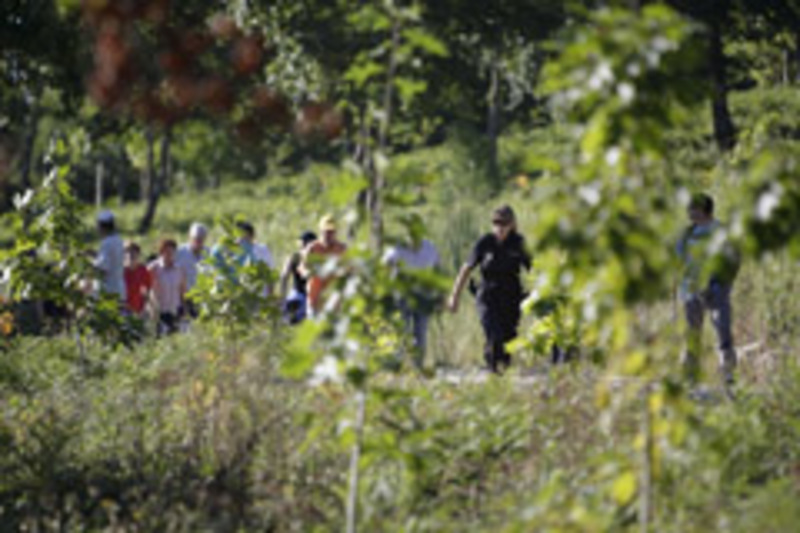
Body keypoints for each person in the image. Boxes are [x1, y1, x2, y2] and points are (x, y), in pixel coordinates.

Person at [447, 205, 531, 374]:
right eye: (496, 222)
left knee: (509, 339)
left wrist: (537, 294)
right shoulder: (485, 242)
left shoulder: (518, 243)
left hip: (511, 297)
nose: (499, 227)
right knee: (494, 334)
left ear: (512, 224)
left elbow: (534, 268)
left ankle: (503, 373)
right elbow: (466, 269)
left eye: (504, 223)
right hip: (488, 296)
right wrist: (454, 297)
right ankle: (493, 369)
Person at [676, 193, 739, 386]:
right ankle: (690, 376)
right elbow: (678, 258)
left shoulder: (722, 232)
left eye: (693, 208)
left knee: (722, 330)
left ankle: (727, 374)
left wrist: (722, 284)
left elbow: (733, 261)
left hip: (716, 288)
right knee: (692, 333)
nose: (689, 212)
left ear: (704, 210)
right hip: (691, 289)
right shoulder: (687, 233)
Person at [384, 233, 441, 367]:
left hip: (423, 294)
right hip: (402, 293)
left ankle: (418, 366)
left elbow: (437, 268)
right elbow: (386, 264)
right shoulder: (398, 245)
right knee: (400, 330)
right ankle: (396, 364)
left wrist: (438, 293)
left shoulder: (429, 247)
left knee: (420, 332)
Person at [301, 215, 347, 317]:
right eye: (326, 231)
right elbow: (303, 268)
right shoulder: (312, 248)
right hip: (314, 301)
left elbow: (349, 270)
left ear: (335, 232)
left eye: (331, 231)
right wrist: (308, 272)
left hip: (334, 302)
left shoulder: (341, 249)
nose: (329, 235)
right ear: (321, 231)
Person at [149, 239, 186, 336]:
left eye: (172, 252)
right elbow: (147, 290)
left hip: (175, 309)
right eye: (166, 251)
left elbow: (182, 290)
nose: (169, 254)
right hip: (159, 311)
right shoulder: (153, 268)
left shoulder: (179, 268)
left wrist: (184, 308)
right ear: (161, 252)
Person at [279, 230, 317, 324]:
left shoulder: (295, 256)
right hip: (305, 294)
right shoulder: (318, 258)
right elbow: (284, 276)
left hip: (300, 294)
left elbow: (284, 276)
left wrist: (282, 297)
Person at [176, 222, 209, 317]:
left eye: (201, 239)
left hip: (201, 297)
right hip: (182, 297)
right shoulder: (180, 252)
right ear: (189, 237)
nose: (198, 242)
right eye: (195, 239)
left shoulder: (208, 253)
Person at [95, 210, 126, 301]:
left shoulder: (106, 243)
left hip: (108, 291)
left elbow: (103, 267)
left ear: (103, 228)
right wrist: (95, 255)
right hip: (119, 288)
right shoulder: (118, 240)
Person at [124, 242, 152, 316]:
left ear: (138, 255)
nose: (131, 255)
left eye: (134, 253)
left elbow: (147, 289)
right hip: (122, 308)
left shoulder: (142, 270)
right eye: (129, 253)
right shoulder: (120, 270)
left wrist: (145, 307)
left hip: (137, 309)